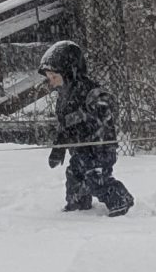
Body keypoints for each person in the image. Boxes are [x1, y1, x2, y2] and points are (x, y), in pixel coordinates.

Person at [41, 38, 133, 216]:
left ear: (69, 71)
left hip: (100, 149)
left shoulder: (90, 91)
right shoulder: (63, 97)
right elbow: (64, 126)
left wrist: (95, 143)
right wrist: (58, 149)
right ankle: (77, 204)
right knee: (74, 176)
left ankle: (121, 200)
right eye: (49, 78)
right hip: (80, 151)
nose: (51, 82)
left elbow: (104, 116)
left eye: (54, 76)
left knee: (95, 177)